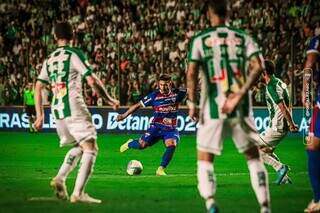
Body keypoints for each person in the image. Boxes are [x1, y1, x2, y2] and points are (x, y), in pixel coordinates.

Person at [186, 1, 270, 212]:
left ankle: (211, 202)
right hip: (240, 105)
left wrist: (192, 103)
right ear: (228, 13)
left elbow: (191, 73)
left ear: (209, 13)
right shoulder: (244, 37)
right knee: (253, 157)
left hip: (213, 107)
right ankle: (265, 206)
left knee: (205, 157)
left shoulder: (200, 39)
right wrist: (240, 93)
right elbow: (259, 65)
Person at [34, 22, 119, 204]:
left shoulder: (49, 59)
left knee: (81, 147)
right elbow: (91, 80)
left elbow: (38, 86)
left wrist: (40, 115)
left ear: (55, 37)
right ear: (73, 36)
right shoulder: (74, 54)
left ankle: (60, 178)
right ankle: (78, 193)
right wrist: (109, 99)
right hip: (73, 106)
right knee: (91, 147)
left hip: (57, 112)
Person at [117, 74, 186, 176]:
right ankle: (130, 143)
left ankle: (160, 169)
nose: (163, 87)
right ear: (159, 84)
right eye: (161, 85)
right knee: (142, 145)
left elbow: (191, 89)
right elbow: (138, 105)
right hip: (156, 127)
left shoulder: (178, 94)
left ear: (170, 83)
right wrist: (124, 115)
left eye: (166, 85)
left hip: (170, 129)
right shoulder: (154, 96)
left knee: (172, 144)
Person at [257, 60, 298, 185]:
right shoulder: (278, 82)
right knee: (266, 151)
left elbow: (283, 107)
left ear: (264, 72)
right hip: (280, 125)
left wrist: (291, 124)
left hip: (278, 126)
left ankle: (280, 168)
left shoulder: (271, 87)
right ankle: (284, 178)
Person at [302, 31, 320, 212]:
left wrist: (305, 92)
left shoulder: (317, 41)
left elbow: (309, 64)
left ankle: (317, 199)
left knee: (313, 145)